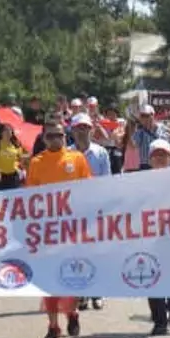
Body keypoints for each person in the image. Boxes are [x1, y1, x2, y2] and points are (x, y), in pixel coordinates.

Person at [26, 120, 93, 338]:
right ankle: (53, 326)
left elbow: (89, 190)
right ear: (44, 139)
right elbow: (30, 196)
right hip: (47, 230)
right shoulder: (37, 162)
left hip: (72, 230)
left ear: (66, 137)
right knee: (48, 280)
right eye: (51, 136)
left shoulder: (77, 158)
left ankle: (72, 313)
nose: (56, 139)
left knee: (69, 276)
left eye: (60, 135)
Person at [70, 112, 111, 310]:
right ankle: (82, 293)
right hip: (73, 211)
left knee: (96, 251)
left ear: (91, 130)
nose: (82, 132)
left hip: (95, 209)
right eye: (78, 128)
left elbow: (106, 181)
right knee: (78, 252)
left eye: (85, 128)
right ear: (73, 130)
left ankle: (98, 291)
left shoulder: (101, 153)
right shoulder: (66, 153)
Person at [141, 139, 170, 335]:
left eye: (163, 154)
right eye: (156, 155)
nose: (160, 158)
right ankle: (159, 320)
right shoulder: (140, 182)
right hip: (150, 236)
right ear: (149, 159)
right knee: (152, 277)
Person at [128, 103, 170, 170]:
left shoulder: (163, 129)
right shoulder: (139, 132)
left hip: (163, 164)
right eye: (142, 116)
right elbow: (133, 146)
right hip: (145, 165)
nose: (144, 118)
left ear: (153, 115)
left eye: (146, 115)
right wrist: (130, 130)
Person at [0, 122, 26, 189]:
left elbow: (21, 159)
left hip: (14, 176)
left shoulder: (16, 145)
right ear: (1, 133)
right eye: (6, 130)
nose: (8, 132)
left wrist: (22, 169)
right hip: (2, 177)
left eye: (10, 130)